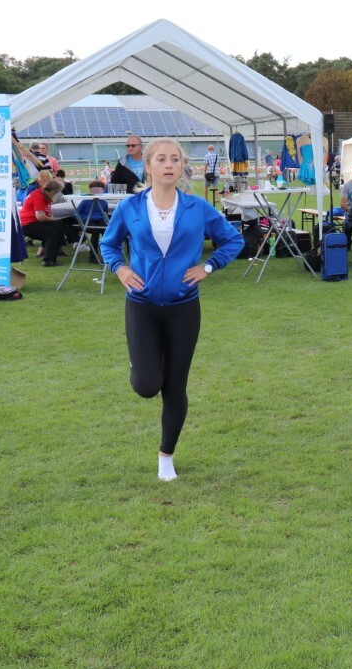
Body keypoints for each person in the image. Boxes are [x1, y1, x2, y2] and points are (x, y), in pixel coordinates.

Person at [100, 138, 244, 482]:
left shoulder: (197, 208)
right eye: (161, 159)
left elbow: (234, 239)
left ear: (182, 167)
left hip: (183, 309)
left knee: (175, 387)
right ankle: (142, 364)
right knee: (148, 385)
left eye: (175, 159)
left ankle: (166, 457)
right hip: (142, 306)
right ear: (148, 166)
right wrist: (120, 269)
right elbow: (108, 244)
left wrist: (208, 267)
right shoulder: (130, 207)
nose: (168, 165)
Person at [19, 180, 67, 267]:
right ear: (53, 191)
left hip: (33, 222)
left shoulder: (44, 195)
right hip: (28, 224)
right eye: (57, 193)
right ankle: (48, 260)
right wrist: (51, 219)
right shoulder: (38, 196)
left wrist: (50, 218)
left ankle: (52, 252)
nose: (56, 195)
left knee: (59, 225)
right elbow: (40, 217)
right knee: (53, 232)